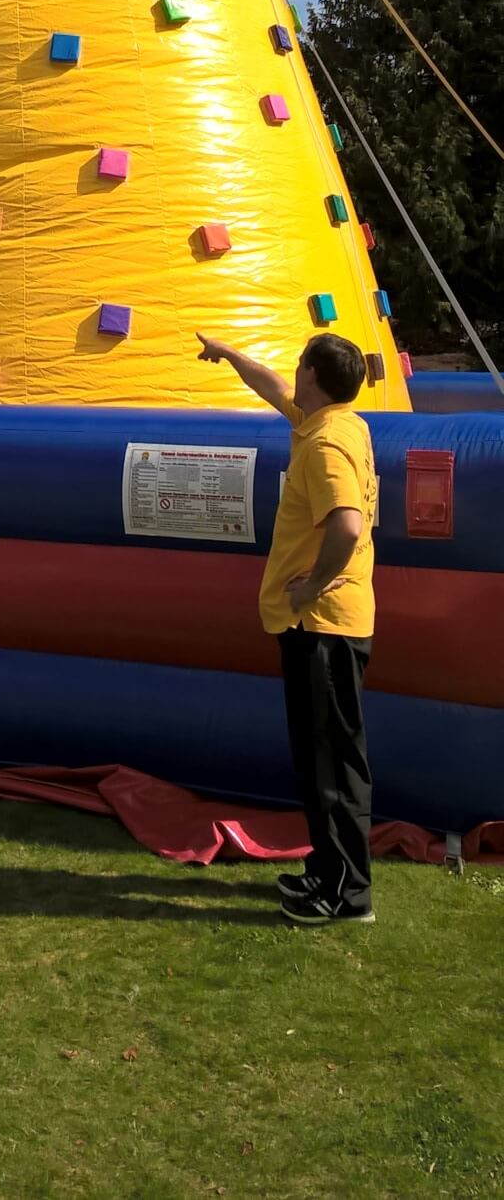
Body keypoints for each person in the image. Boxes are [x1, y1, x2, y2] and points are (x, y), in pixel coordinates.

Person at [196, 330, 378, 926]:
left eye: (299, 364)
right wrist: (229, 356)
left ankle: (345, 896)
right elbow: (273, 388)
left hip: (322, 625)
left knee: (328, 765)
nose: (290, 372)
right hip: (325, 623)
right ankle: (328, 874)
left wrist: (315, 583)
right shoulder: (339, 420)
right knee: (325, 757)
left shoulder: (326, 444)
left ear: (313, 376)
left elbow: (347, 525)